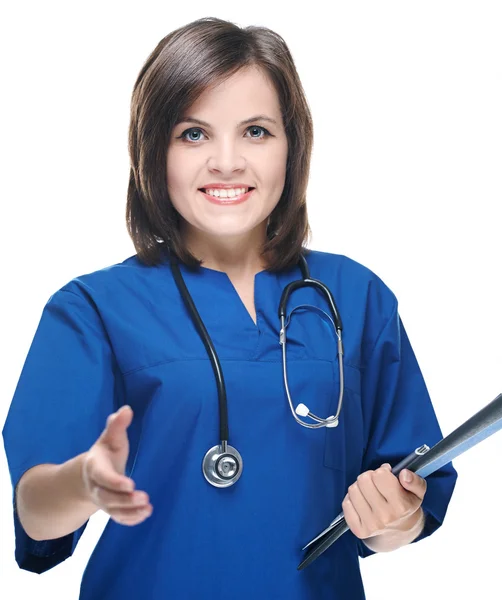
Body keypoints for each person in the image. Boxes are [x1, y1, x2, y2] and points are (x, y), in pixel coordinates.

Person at [2, 16, 457, 600]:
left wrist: (394, 518)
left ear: (291, 145)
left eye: (256, 132)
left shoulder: (358, 296)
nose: (226, 162)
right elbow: (35, 513)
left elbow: (410, 499)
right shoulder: (92, 308)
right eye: (193, 134)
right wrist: (85, 483)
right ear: (154, 150)